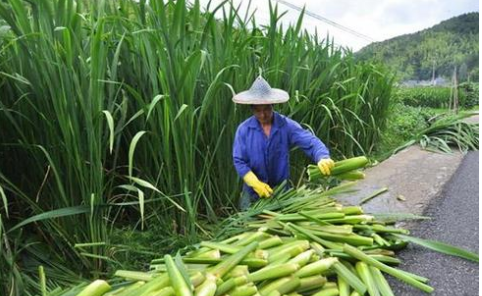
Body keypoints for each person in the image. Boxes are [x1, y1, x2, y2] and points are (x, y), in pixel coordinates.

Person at [232, 76, 335, 209]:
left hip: (281, 192)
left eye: (266, 110)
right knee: (251, 227)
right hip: (252, 193)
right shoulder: (244, 130)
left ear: (272, 106)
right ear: (252, 109)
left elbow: (311, 142)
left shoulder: (285, 126)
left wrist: (323, 157)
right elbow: (239, 161)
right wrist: (255, 183)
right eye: (258, 110)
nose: (262, 115)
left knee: (281, 228)